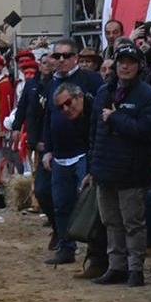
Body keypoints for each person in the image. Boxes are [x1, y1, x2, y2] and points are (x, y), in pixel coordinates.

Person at [86, 45, 151, 287]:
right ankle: (116, 266)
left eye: (130, 62)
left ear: (139, 66)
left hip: (132, 170)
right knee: (111, 222)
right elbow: (94, 131)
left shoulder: (148, 96)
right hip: (104, 168)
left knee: (132, 223)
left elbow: (146, 131)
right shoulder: (103, 92)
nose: (125, 67)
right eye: (121, 62)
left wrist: (117, 118)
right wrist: (92, 167)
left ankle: (135, 269)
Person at [40, 38, 104, 265]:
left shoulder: (92, 80)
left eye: (66, 56)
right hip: (60, 154)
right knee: (60, 202)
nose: (61, 60)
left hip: (84, 152)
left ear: (75, 57)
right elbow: (47, 119)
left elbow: (99, 116)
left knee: (90, 203)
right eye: (57, 56)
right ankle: (66, 246)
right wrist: (47, 149)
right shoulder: (50, 83)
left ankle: (96, 253)